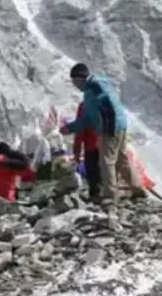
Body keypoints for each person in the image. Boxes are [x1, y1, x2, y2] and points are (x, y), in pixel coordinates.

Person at [59, 63, 142, 213]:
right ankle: (137, 189)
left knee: (107, 162)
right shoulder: (101, 82)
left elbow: (95, 113)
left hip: (109, 127)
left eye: (75, 81)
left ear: (80, 78)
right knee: (122, 160)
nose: (75, 85)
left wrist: (70, 128)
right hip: (121, 125)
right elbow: (95, 114)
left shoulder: (92, 89)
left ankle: (110, 197)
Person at [71, 100, 101, 201]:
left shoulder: (85, 105)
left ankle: (96, 196)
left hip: (91, 146)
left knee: (92, 172)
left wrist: (77, 153)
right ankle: (107, 195)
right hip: (106, 145)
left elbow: (80, 130)